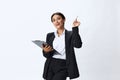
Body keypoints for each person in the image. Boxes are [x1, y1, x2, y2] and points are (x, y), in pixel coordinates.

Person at [42, 12, 82, 80]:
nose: (56, 22)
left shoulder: (70, 34)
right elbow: (47, 55)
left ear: (63, 20)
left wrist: (75, 28)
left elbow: (78, 45)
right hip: (50, 64)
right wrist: (45, 51)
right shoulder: (50, 35)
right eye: (53, 20)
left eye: (58, 19)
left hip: (63, 65)